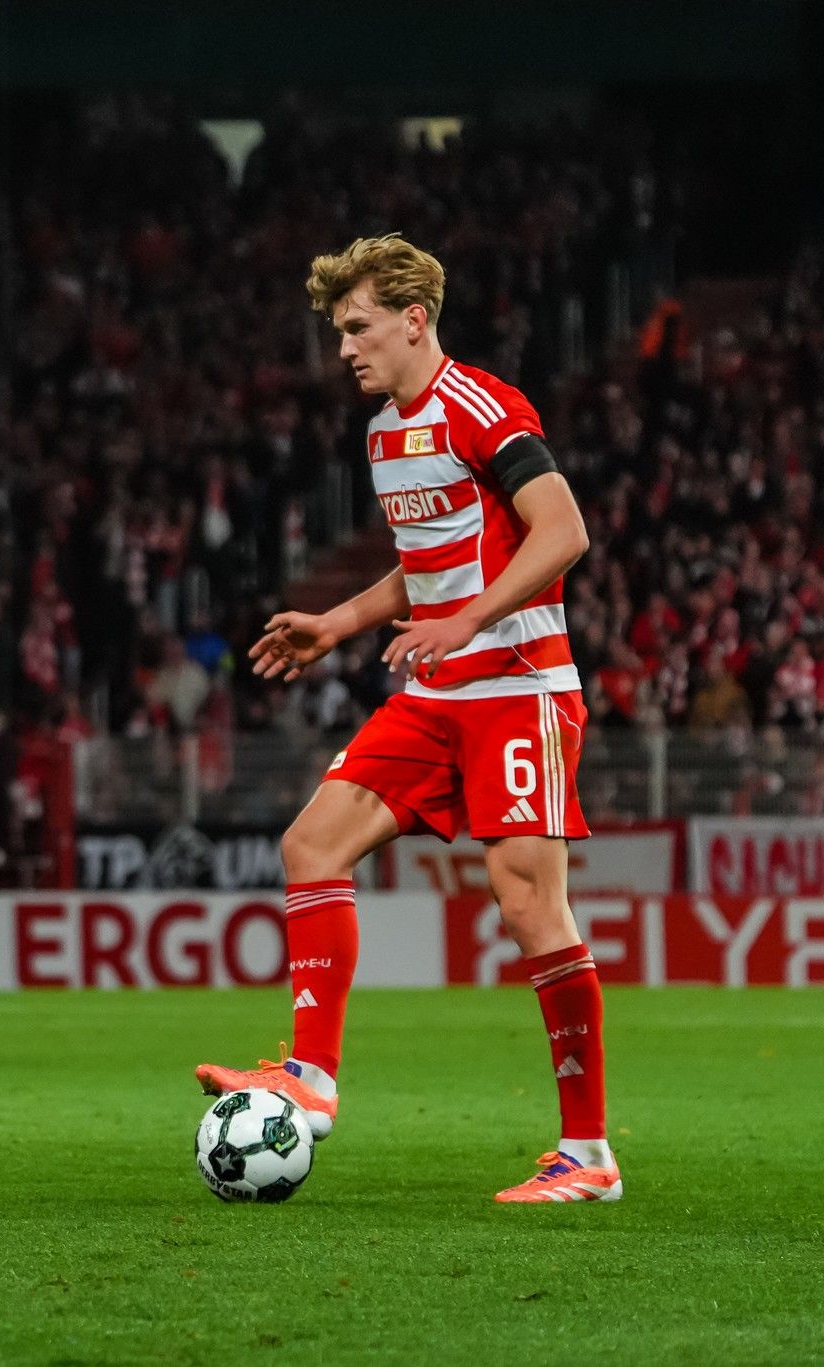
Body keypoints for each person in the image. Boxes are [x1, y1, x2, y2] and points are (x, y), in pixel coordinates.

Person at [199, 234, 620, 1204]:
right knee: (311, 842)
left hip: (518, 685)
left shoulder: (484, 405)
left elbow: (563, 532)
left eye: (355, 327)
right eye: (336, 330)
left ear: (412, 319)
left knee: (526, 904)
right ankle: (308, 1076)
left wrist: (468, 615)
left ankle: (588, 1154)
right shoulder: (386, 434)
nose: (343, 347)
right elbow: (423, 565)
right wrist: (336, 623)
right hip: (435, 696)